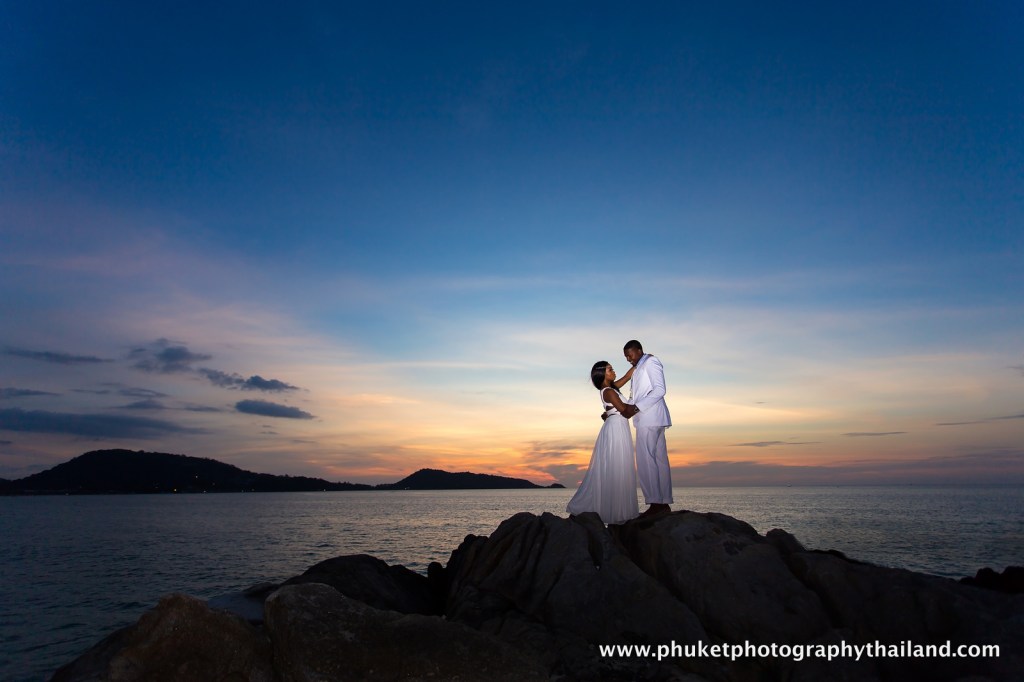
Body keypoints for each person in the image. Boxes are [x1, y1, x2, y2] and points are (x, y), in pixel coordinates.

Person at [566, 361, 639, 524]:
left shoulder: (612, 388)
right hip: (616, 429)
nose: (613, 371)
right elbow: (626, 412)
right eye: (610, 369)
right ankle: (601, 509)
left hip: (618, 427)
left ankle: (618, 511)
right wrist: (644, 403)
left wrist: (639, 363)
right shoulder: (608, 391)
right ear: (602, 374)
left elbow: (627, 377)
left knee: (618, 467)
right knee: (616, 466)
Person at [618, 340, 672, 518]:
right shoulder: (639, 367)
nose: (628, 358)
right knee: (659, 461)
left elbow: (660, 390)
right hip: (651, 418)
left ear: (639, 350)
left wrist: (635, 408)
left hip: (650, 418)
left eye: (630, 354)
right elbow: (636, 396)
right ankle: (663, 502)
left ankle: (656, 502)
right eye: (626, 356)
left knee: (646, 461)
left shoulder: (650, 361)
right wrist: (621, 409)